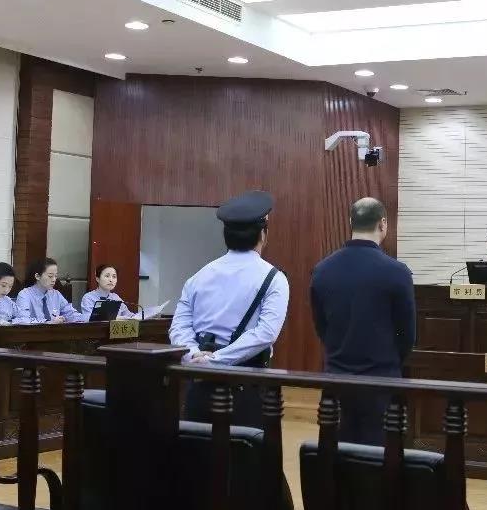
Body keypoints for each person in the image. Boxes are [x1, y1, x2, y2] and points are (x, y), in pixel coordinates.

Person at [169, 190, 290, 428]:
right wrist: (218, 360)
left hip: (198, 386)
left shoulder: (198, 276)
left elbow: (179, 327)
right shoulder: (274, 279)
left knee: (196, 448)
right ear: (263, 234)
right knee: (245, 451)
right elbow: (265, 333)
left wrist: (194, 355)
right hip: (246, 389)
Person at [310, 197, 415, 446]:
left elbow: (321, 327)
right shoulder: (398, 272)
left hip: (336, 380)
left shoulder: (322, 270)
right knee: (379, 458)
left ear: (350, 222)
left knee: (336, 456)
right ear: (383, 223)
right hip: (381, 381)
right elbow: (408, 335)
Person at [16, 257, 86, 324]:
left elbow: (70, 313)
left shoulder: (56, 294)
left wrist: (85, 319)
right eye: (50, 276)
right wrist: (48, 323)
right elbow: (23, 321)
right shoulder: (24, 295)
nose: (54, 280)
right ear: (37, 276)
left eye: (56, 276)